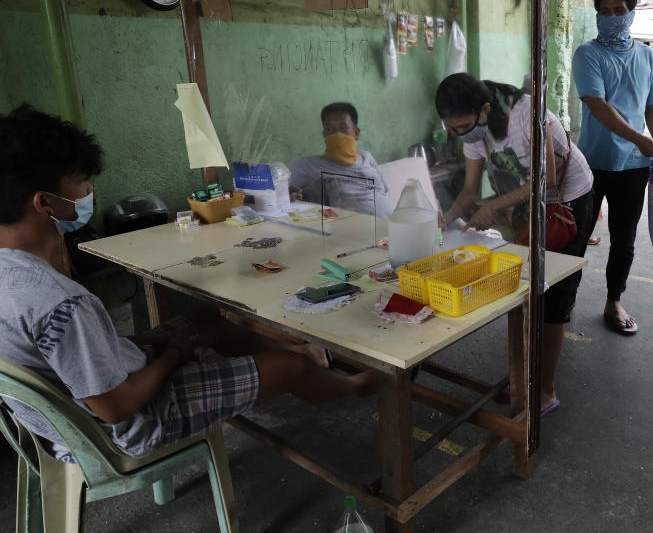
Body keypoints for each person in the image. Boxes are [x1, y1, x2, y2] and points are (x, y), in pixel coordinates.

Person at [0, 105, 376, 462]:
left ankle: (301, 357)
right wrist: (174, 353)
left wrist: (152, 342)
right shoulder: (62, 303)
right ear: (45, 203)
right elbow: (116, 407)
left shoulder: (14, 279)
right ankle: (346, 383)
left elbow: (77, 357)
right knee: (287, 369)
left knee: (207, 321)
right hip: (130, 425)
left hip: (69, 418)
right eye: (81, 182)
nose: (87, 193)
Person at [435, 73, 594, 416]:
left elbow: (547, 179)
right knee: (531, 287)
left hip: (566, 202)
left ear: (485, 109)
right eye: (453, 127)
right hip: (531, 203)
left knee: (552, 296)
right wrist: (445, 221)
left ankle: (546, 390)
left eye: (462, 126)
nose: (459, 133)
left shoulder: (527, 114)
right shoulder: (475, 133)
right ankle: (531, 363)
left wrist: (495, 205)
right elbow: (469, 191)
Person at [571, 0, 653, 336]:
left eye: (619, 11)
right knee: (576, 236)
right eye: (604, 11)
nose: (611, 17)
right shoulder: (588, 54)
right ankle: (563, 299)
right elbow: (597, 106)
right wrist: (642, 140)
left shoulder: (646, 55)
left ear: (631, 13)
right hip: (591, 164)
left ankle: (614, 300)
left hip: (634, 167)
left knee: (624, 239)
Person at [289, 102, 394, 217]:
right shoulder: (307, 165)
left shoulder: (366, 157)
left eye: (343, 128)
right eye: (330, 129)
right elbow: (275, 188)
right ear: (324, 134)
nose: (337, 134)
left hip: (395, 224)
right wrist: (288, 194)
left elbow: (383, 193)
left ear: (356, 133)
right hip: (353, 230)